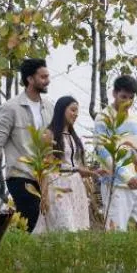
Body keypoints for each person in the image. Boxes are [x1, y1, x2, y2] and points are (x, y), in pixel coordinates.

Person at [0, 57, 50, 232]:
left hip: (45, 177)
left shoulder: (50, 107)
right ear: (30, 79)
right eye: (43, 77)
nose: (47, 80)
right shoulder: (10, 108)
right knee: (31, 221)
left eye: (47, 76)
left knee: (44, 225)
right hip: (20, 174)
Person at [93, 74, 137, 234]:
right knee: (116, 235)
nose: (127, 101)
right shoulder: (103, 118)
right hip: (115, 184)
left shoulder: (134, 117)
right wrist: (125, 176)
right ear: (114, 94)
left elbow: (136, 149)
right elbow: (103, 151)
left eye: (131, 98)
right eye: (123, 96)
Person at [35, 96, 94, 233]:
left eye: (77, 111)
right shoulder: (49, 134)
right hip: (57, 185)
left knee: (80, 229)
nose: (76, 114)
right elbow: (44, 167)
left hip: (76, 185)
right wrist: (43, 195)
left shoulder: (73, 136)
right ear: (62, 110)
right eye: (72, 110)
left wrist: (91, 173)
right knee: (65, 228)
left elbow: (76, 163)